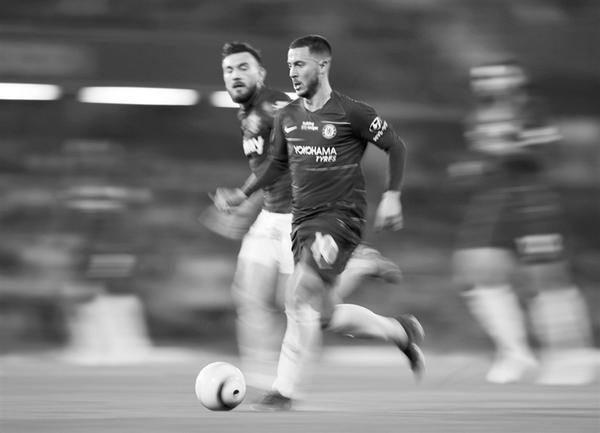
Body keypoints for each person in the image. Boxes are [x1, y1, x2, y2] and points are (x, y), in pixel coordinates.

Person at [214, 35, 424, 410]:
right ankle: (400, 331)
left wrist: (392, 195)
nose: (293, 72)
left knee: (297, 294)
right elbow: (276, 164)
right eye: (290, 65)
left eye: (300, 64)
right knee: (321, 315)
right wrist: (242, 195)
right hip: (302, 223)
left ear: (323, 65)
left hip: (340, 218)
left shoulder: (351, 112)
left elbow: (396, 145)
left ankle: (285, 391)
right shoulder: (289, 116)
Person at [451, 60, 596, 385]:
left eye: (494, 75)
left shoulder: (533, 112)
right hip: (493, 200)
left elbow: (543, 153)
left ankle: (570, 355)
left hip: (532, 201)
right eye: (481, 77)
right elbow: (488, 156)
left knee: (545, 278)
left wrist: (505, 149)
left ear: (515, 79)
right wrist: (475, 166)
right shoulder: (477, 116)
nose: (484, 82)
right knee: (476, 271)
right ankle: (515, 353)